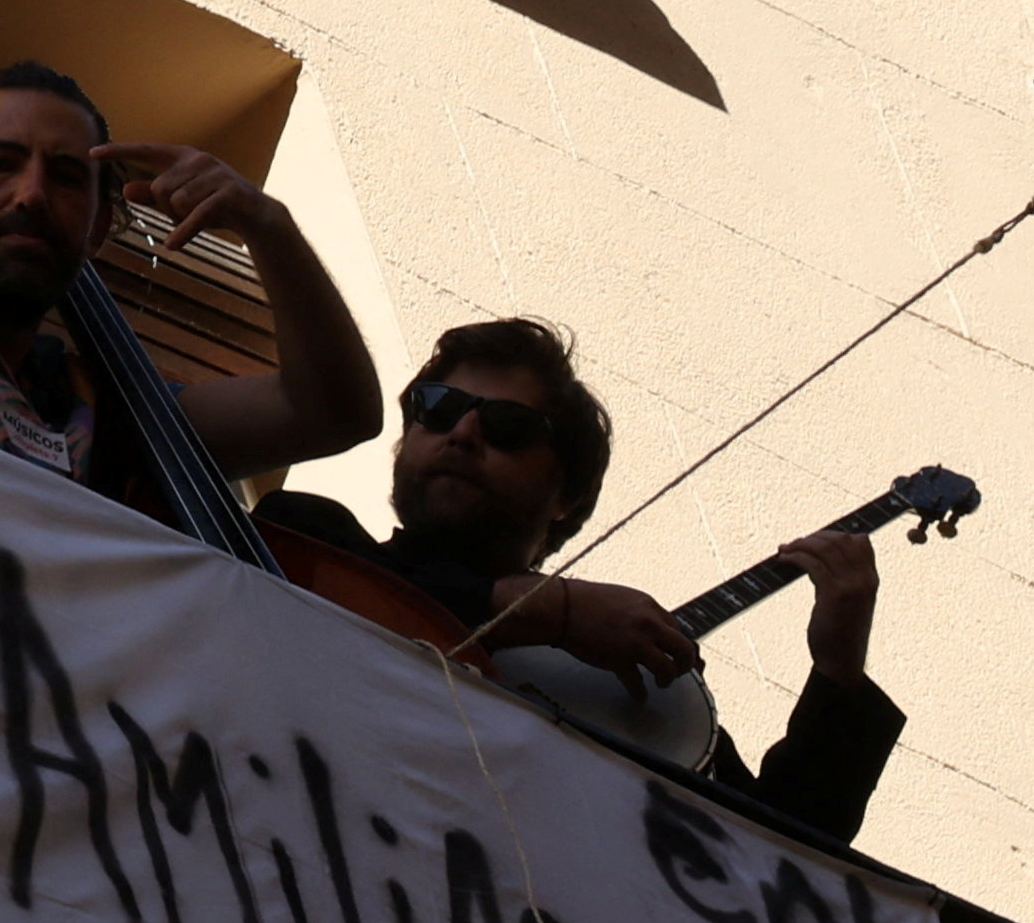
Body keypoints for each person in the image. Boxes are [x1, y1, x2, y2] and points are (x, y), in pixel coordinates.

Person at [258, 321, 900, 839]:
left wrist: (838, 675)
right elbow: (341, 598)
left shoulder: (617, 687)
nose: (462, 432)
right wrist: (549, 610)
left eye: (507, 428)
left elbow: (785, 848)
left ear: (565, 495)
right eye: (438, 408)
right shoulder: (307, 533)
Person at [0, 60, 381, 498]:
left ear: (98, 230)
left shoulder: (103, 407)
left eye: (68, 177)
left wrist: (268, 224)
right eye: (1, 162)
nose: (32, 195)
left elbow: (333, 412)